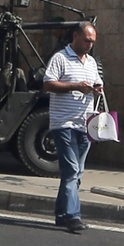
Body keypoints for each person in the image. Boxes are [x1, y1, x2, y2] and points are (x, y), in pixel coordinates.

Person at [43, 21, 103, 233]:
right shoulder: (60, 58)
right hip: (64, 123)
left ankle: (61, 214)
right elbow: (49, 84)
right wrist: (75, 87)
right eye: (87, 40)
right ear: (76, 36)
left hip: (84, 123)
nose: (90, 45)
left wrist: (97, 88)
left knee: (77, 172)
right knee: (71, 170)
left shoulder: (91, 62)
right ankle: (73, 216)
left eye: (93, 42)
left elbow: (96, 82)